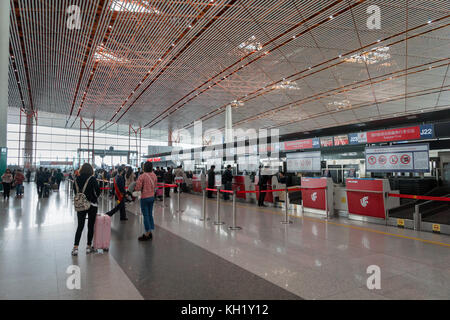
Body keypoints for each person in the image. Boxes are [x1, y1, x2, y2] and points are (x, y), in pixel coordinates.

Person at [71, 163, 100, 256]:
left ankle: (75, 248)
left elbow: (75, 191)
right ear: (91, 170)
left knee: (80, 226)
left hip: (80, 205)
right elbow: (98, 191)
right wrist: (93, 197)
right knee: (90, 226)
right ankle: (88, 246)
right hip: (92, 205)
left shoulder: (77, 179)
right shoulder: (92, 179)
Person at [134, 162, 158, 241]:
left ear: (144, 167)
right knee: (150, 214)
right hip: (151, 197)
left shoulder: (142, 176)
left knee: (146, 215)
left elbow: (138, 188)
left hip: (144, 198)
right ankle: (150, 231)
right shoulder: (154, 175)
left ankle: (147, 233)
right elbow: (155, 186)